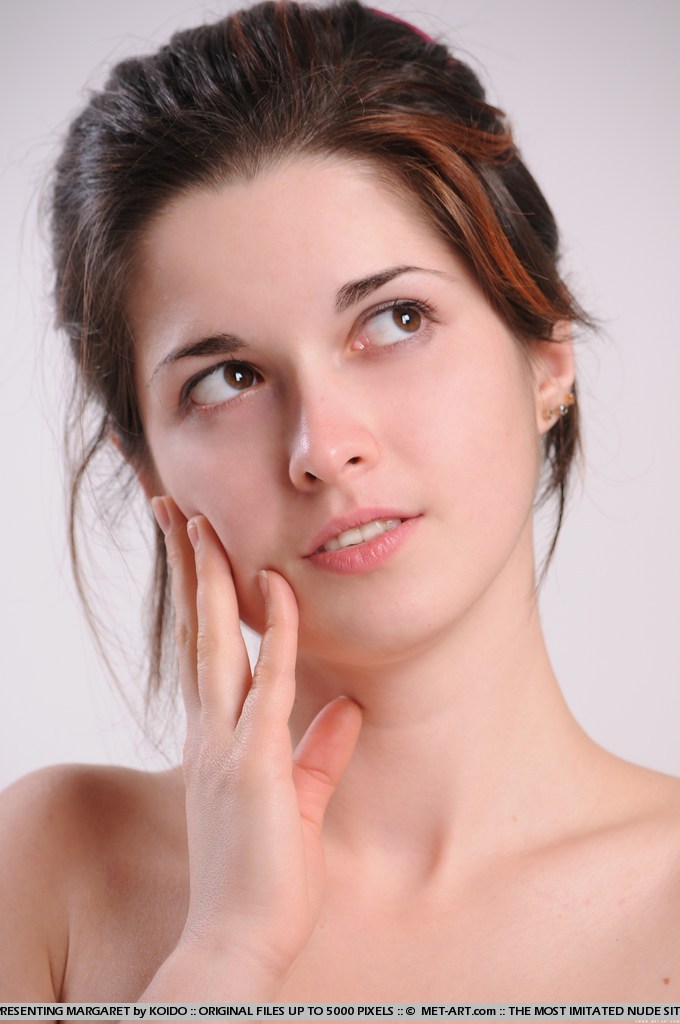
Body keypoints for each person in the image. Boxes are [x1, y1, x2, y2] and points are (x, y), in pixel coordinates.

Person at [1, 0, 679, 1002]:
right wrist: (224, 953)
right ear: (147, 471)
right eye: (227, 379)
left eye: (395, 320)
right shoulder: (47, 872)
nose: (323, 447)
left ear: (545, 352)